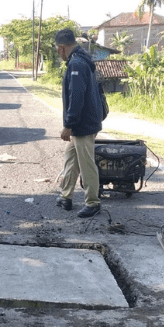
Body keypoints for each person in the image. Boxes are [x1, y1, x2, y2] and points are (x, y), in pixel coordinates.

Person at [54, 28, 104, 218]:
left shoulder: (76, 64)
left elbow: (76, 98)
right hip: (84, 122)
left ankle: (93, 202)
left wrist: (68, 124)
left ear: (61, 48)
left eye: (58, 50)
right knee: (70, 158)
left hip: (83, 124)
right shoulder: (81, 60)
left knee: (86, 164)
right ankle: (65, 196)